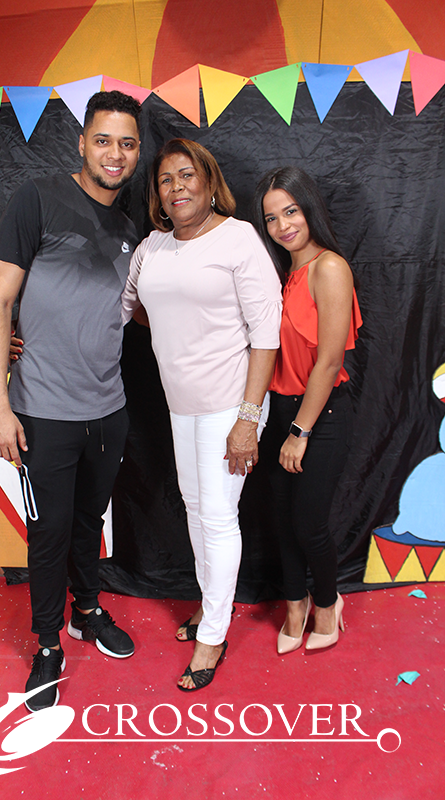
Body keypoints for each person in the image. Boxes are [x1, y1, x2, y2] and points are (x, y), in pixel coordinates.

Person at [0, 90, 142, 711]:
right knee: (49, 534)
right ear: (82, 143)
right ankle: (48, 644)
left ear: (137, 153)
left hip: (109, 411)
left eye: (126, 143)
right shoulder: (38, 198)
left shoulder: (130, 230)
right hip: (43, 412)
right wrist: (0, 406)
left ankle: (87, 611)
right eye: (103, 140)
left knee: (87, 522)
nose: (114, 153)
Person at [122, 139, 282, 690]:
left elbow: (266, 335)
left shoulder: (238, 239)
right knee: (195, 510)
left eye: (187, 175)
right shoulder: (153, 247)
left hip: (231, 407)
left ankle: (213, 632)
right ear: (157, 195)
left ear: (210, 182)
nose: (177, 187)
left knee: (216, 516)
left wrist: (247, 419)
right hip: (181, 406)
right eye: (166, 180)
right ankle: (213, 603)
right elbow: (130, 307)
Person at [253, 166, 362, 654]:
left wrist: (299, 432)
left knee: (308, 523)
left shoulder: (329, 268)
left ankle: (327, 604)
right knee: (281, 519)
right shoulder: (283, 275)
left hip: (319, 416)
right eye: (271, 218)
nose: (283, 226)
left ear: (309, 208)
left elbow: (330, 360)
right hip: (279, 409)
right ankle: (294, 604)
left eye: (291, 211)